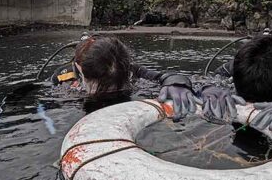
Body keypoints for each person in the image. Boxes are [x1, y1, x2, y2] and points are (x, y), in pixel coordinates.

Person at [51, 34, 201, 120]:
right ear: (80, 68)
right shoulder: (64, 78)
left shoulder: (131, 69)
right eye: (102, 85)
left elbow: (168, 77)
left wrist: (177, 85)